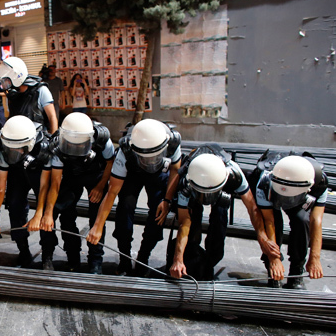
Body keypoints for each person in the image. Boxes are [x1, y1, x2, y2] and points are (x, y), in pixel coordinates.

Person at [86, 119, 182, 276]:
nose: (149, 161)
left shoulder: (172, 142)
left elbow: (174, 170)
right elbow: (112, 192)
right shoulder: (125, 151)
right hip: (132, 172)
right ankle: (125, 259)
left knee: (159, 211)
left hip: (159, 174)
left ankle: (143, 257)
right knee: (125, 207)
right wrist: (97, 225)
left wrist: (167, 200)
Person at [167, 146, 278, 281]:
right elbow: (184, 222)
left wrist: (262, 237)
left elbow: (252, 208)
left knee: (219, 221)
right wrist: (178, 259)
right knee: (191, 233)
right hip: (193, 193)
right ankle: (193, 260)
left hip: (220, 191)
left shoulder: (234, 174)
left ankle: (209, 262)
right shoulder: (186, 181)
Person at [40, 112, 115, 273]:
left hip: (95, 175)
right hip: (70, 175)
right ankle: (73, 258)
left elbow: (110, 163)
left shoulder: (102, 140)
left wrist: (101, 186)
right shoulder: (57, 146)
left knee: (97, 218)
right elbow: (55, 183)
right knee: (66, 215)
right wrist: (48, 212)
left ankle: (95, 261)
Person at [252, 152, 328, 289]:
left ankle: (296, 270)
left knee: (302, 220)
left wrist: (315, 257)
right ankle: (273, 270)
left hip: (300, 196)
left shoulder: (319, 183)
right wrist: (273, 259)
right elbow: (270, 222)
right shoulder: (264, 182)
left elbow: (316, 221)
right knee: (277, 224)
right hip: (273, 194)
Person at [0, 115, 53, 267]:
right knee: (15, 205)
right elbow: (1, 187)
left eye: (18, 148)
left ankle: (47, 255)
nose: (13, 150)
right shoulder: (5, 148)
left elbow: (44, 187)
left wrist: (38, 214)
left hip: (37, 171)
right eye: (10, 148)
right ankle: (23, 249)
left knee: (47, 214)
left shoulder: (44, 147)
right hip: (16, 171)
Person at [0, 56, 58, 134]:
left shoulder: (40, 90)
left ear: (15, 77)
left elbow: (52, 117)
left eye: (6, 80)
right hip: (17, 139)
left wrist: (53, 138)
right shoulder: (13, 95)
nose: (4, 84)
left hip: (38, 140)